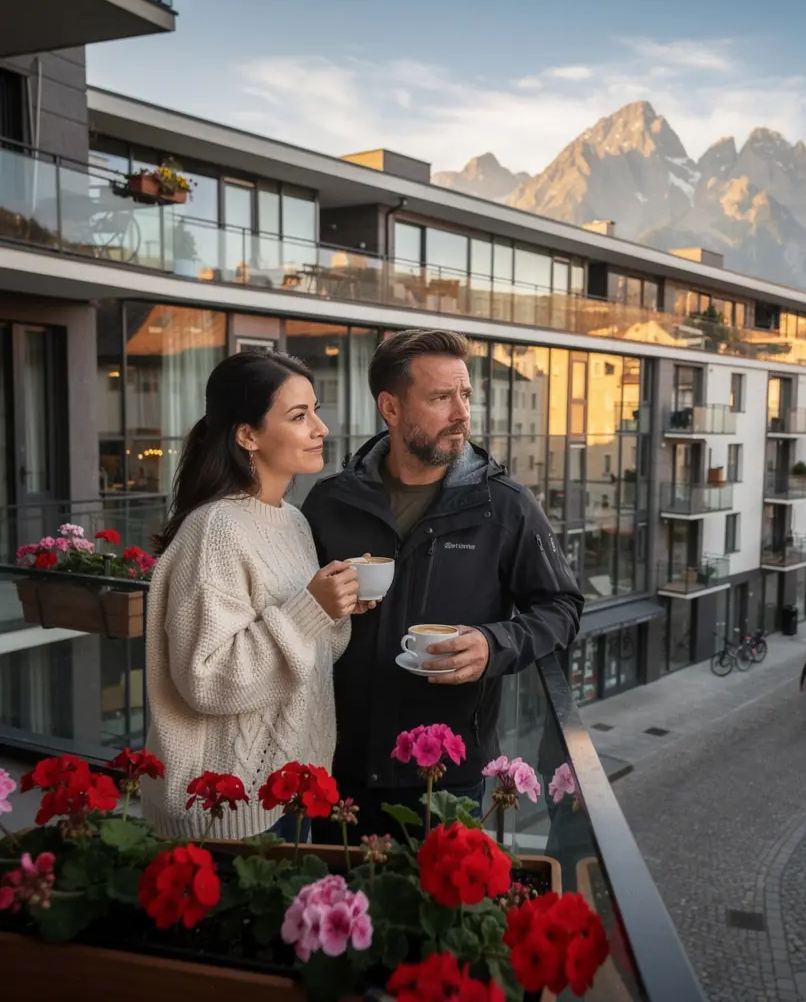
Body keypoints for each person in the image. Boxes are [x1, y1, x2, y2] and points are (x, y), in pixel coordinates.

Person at [302, 330, 584, 839]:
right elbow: (298, 614)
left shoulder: (507, 506)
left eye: (465, 395)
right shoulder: (329, 504)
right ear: (390, 407)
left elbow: (561, 606)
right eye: (440, 398)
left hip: (448, 781)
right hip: (335, 771)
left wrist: (495, 644)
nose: (461, 413)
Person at [143, 351, 370, 842]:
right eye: (299, 415)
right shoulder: (215, 529)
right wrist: (310, 611)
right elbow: (207, 679)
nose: (320, 428)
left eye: (315, 410)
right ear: (247, 435)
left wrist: (336, 610)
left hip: (291, 792)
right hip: (229, 812)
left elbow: (311, 656)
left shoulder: (293, 521)